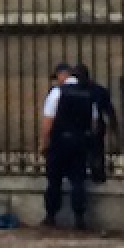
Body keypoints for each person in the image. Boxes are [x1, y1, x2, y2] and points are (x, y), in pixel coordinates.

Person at [39, 63, 97, 230]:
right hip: (80, 141)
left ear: (62, 75)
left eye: (57, 77)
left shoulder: (57, 92)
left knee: (54, 180)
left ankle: (51, 216)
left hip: (60, 141)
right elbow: (93, 123)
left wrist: (44, 142)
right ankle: (79, 218)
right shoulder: (88, 94)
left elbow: (48, 121)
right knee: (78, 180)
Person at [74, 66, 119, 184]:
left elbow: (109, 110)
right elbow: (110, 111)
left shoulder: (95, 90)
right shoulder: (98, 90)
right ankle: (94, 176)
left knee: (95, 154)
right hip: (85, 127)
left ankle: (95, 175)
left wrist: (113, 130)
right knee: (92, 154)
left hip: (89, 127)